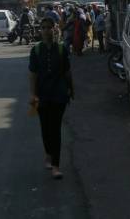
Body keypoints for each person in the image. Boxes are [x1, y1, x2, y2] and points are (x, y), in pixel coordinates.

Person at [29, 17, 74, 180]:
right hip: (42, 96)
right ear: (40, 30)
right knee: (45, 128)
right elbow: (33, 74)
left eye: (49, 27)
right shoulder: (36, 51)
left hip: (59, 95)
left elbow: (67, 73)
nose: (46, 30)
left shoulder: (62, 50)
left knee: (55, 129)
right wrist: (33, 94)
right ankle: (48, 153)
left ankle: (56, 165)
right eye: (43, 27)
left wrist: (71, 90)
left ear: (55, 29)